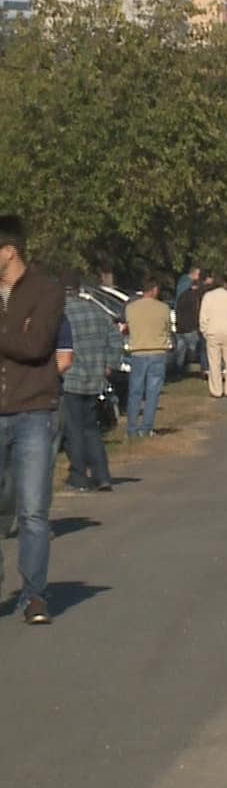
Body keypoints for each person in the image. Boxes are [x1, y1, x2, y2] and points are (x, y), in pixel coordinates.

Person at [0, 216, 65, 624]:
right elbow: (19, 340)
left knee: (32, 511)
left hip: (33, 411)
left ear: (8, 251)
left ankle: (34, 596)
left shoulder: (47, 290)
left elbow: (36, 344)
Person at [59, 273, 116, 492]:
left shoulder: (60, 314)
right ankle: (102, 476)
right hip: (94, 378)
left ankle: (78, 476)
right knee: (91, 428)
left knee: (73, 429)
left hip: (70, 377)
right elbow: (116, 338)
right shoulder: (97, 311)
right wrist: (109, 363)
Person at [123, 276, 172, 440]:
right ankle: (147, 427)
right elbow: (167, 328)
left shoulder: (131, 308)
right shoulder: (163, 308)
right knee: (152, 392)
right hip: (157, 351)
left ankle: (132, 428)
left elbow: (128, 327)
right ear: (154, 289)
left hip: (138, 351)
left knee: (135, 392)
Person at [200, 275, 227, 398]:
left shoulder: (208, 297)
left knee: (214, 363)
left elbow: (203, 318)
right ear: (225, 283)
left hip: (213, 332)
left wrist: (205, 332)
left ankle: (216, 390)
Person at [174, 270, 207, 378]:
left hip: (181, 328)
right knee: (199, 349)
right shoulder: (195, 297)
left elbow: (177, 311)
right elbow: (196, 312)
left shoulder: (181, 296)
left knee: (180, 352)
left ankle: (179, 371)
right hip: (191, 328)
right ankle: (204, 369)